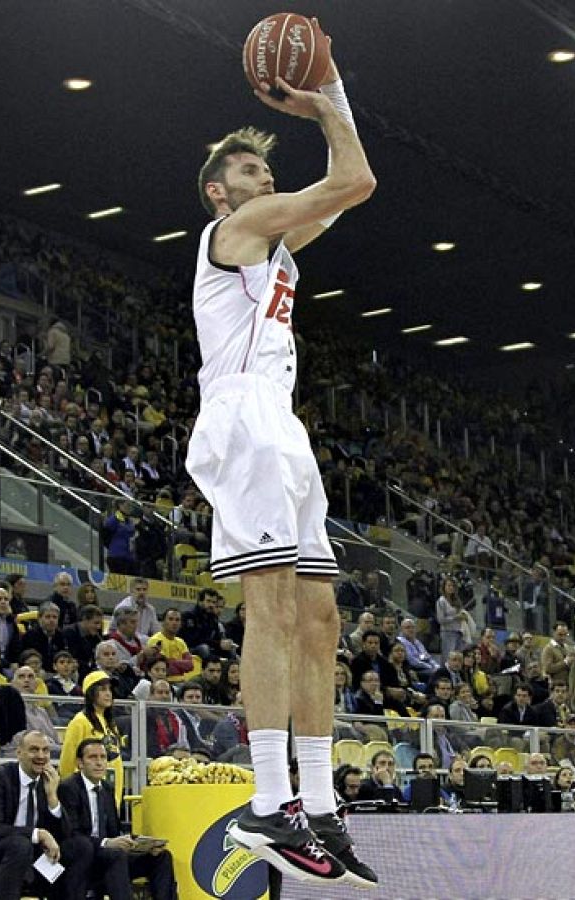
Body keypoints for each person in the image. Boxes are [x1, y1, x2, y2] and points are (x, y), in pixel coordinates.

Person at [184, 17, 375, 888]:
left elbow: (345, 186)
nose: (267, 177)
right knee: (272, 610)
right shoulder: (239, 230)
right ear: (220, 194)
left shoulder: (279, 249)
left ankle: (319, 805)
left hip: (281, 423)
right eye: (251, 171)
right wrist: (324, 95)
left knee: (321, 618)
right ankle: (268, 801)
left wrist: (325, 102)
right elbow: (357, 180)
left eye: (266, 168)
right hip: (243, 418)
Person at [0, 730, 73, 900]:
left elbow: (64, 835)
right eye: (34, 750)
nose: (41, 756)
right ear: (19, 753)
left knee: (75, 849)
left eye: (45, 750)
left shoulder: (47, 782)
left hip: (27, 855)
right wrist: (37, 834)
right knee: (20, 844)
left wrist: (52, 797)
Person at [57, 738, 176, 900]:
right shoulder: (68, 787)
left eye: (103, 757)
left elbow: (115, 830)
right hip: (83, 856)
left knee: (160, 857)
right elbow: (71, 834)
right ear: (80, 763)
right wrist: (106, 843)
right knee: (115, 855)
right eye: (93, 757)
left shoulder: (106, 788)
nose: (99, 763)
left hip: (109, 854)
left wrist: (142, 846)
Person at [60, 670, 126, 805]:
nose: (108, 693)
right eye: (102, 689)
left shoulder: (110, 723)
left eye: (109, 689)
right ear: (91, 693)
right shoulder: (80, 721)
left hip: (111, 791)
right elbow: (67, 761)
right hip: (86, 795)